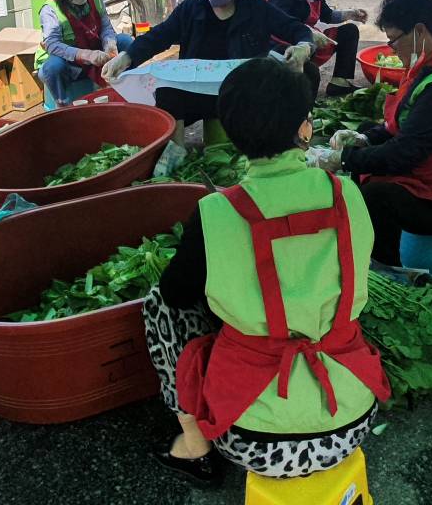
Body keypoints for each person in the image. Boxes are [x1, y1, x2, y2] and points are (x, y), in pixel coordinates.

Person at [141, 57, 390, 487]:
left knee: (160, 304)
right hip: (350, 423)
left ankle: (193, 443)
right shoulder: (347, 194)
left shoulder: (214, 212)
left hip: (249, 438)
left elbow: (177, 292)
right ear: (305, 128)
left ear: (232, 136)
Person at [308, 0, 432, 266]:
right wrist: (363, 137)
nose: (392, 47)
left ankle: (386, 268)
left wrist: (342, 159)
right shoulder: (431, 63)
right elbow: (400, 126)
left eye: (394, 39)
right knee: (365, 135)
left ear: (419, 31)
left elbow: (403, 154)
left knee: (377, 195)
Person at [102, 0, 315, 136]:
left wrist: (303, 47)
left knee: (309, 73)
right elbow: (158, 36)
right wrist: (126, 57)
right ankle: (175, 154)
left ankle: (291, 136)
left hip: (241, 92)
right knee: (166, 92)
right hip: (197, 93)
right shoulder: (190, 10)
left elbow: (295, 29)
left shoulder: (256, 9)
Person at [34, 0, 133, 107]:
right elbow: (52, 44)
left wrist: (110, 47)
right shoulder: (50, 10)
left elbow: (106, 27)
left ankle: (127, 91)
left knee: (126, 41)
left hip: (95, 49)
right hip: (67, 62)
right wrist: (85, 55)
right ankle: (63, 106)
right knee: (54, 66)